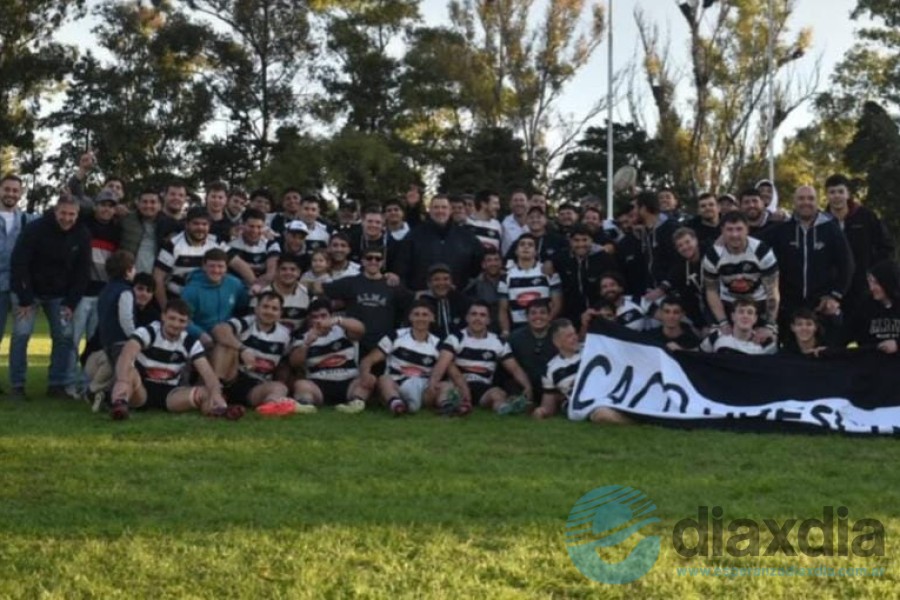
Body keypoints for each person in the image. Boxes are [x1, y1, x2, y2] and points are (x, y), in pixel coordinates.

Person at [10, 196, 91, 399]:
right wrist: (25, 298)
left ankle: (56, 384)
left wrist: (71, 303)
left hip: (60, 295)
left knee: (64, 336)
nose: (67, 218)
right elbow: (19, 263)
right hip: (28, 291)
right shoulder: (35, 229)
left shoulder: (82, 234)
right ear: (55, 212)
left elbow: (82, 272)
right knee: (21, 334)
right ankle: (17, 385)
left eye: (71, 214)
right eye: (63, 213)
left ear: (77, 214)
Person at [109, 299, 236, 420]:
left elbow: (208, 373)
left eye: (181, 321)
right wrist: (122, 382)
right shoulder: (148, 332)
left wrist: (216, 394)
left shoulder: (189, 342)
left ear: (187, 323)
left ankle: (220, 411)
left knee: (206, 391)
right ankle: (119, 405)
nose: (176, 324)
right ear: (163, 316)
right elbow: (127, 354)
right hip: (140, 389)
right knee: (128, 371)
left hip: (170, 394)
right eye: (172, 318)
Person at [769, 185, 853, 347]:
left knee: (824, 354)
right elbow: (753, 241)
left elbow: (847, 264)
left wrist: (836, 295)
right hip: (789, 306)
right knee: (790, 355)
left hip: (821, 305)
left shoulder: (831, 228)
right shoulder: (783, 229)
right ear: (794, 202)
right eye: (801, 198)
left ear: (817, 201)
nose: (805, 202)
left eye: (810, 198)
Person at [431, 302, 534, 415]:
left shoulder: (498, 342)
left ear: (489, 320)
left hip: (483, 388)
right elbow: (442, 364)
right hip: (458, 384)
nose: (477, 318)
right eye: (474, 314)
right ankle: (449, 407)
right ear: (467, 318)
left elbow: (514, 368)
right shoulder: (455, 337)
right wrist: (433, 384)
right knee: (446, 388)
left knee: (498, 394)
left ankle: (505, 409)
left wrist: (527, 387)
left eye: (482, 315)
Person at [357, 300, 456, 416]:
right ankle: (397, 406)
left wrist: (464, 394)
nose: (420, 318)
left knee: (447, 385)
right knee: (384, 379)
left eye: (425, 315)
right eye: (416, 314)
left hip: (423, 389)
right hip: (397, 386)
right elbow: (369, 359)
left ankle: (447, 408)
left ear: (432, 318)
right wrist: (365, 374)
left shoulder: (438, 344)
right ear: (410, 317)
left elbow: (453, 372)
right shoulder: (395, 336)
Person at [825, 173, 894, 320]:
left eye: (840, 191)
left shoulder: (866, 216)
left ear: (848, 193)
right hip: (834, 290)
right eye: (832, 192)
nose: (836, 196)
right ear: (826, 195)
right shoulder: (821, 222)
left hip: (863, 287)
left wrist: (874, 275)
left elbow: (885, 246)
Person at [210, 291, 295, 409]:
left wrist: (281, 380)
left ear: (280, 314)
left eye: (274, 309)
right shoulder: (246, 323)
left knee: (280, 388)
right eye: (265, 307)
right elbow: (218, 330)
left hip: (257, 385)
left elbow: (284, 364)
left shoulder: (285, 335)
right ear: (256, 309)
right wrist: (242, 348)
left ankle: (269, 407)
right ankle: (216, 394)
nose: (269, 311)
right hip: (232, 378)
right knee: (225, 345)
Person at [702, 211, 779, 341]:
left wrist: (769, 325)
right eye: (729, 230)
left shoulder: (762, 251)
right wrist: (723, 322)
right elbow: (711, 291)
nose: (734, 234)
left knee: (766, 341)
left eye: (739, 229)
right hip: (728, 304)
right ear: (722, 231)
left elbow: (772, 290)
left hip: (758, 303)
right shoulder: (712, 256)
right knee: (717, 340)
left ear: (747, 229)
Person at [322, 246, 412, 355]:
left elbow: (410, 305)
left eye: (378, 259)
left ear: (382, 262)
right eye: (369, 258)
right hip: (355, 342)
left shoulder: (392, 285)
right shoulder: (350, 283)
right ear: (363, 261)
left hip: (383, 345)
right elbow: (320, 289)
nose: (373, 261)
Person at [289, 299, 368, 413]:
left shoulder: (342, 330)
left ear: (331, 316)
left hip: (349, 380)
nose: (319, 320)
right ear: (309, 319)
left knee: (367, 379)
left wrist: (338, 320)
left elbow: (361, 329)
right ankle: (306, 404)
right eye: (314, 317)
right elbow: (294, 362)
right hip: (319, 383)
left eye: (323, 316)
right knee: (300, 384)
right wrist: (307, 344)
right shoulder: (303, 337)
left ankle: (356, 402)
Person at [395, 194, 483, 292]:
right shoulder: (414, 236)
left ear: (450, 210)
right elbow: (402, 267)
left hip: (457, 297)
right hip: (423, 297)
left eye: (444, 207)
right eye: (436, 207)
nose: (440, 211)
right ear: (430, 210)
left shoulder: (467, 237)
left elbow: (477, 267)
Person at [0, 174, 36, 386]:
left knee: (21, 336)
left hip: (21, 287)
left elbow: (61, 216)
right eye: (7, 189)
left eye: (15, 190)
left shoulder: (28, 220)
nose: (11, 194)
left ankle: (17, 384)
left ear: (21, 194)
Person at [181, 248, 250, 346]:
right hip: (203, 338)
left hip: (227, 332)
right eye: (212, 266)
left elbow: (243, 306)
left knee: (226, 346)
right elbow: (184, 319)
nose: (216, 270)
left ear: (226, 268)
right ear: (204, 266)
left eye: (220, 266)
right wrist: (200, 334)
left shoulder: (234, 284)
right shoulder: (191, 290)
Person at [552, 224, 617, 324]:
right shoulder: (561, 259)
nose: (580, 244)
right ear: (570, 241)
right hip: (570, 315)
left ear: (591, 240)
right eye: (576, 240)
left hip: (599, 314)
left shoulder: (604, 258)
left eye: (584, 240)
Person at [498, 234, 562, 336]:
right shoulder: (506, 276)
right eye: (522, 244)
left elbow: (557, 304)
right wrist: (506, 331)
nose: (526, 247)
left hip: (546, 329)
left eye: (530, 245)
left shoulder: (549, 273)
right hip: (518, 330)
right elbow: (503, 309)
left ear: (536, 252)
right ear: (516, 251)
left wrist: (543, 323)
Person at [651, 228, 707, 331]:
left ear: (696, 240)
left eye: (687, 242)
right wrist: (701, 325)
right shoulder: (681, 268)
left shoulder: (711, 255)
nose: (685, 247)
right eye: (680, 246)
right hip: (706, 313)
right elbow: (688, 300)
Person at [847, 260, 900, 354]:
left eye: (876, 283)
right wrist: (828, 349)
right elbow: (847, 334)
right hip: (870, 363)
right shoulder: (864, 306)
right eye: (870, 282)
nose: (871, 288)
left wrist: (897, 344)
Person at [508, 299, 558, 398]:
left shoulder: (559, 334)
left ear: (549, 316)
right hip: (525, 383)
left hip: (553, 384)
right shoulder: (515, 338)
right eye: (533, 313)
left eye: (542, 313)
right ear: (527, 317)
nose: (538, 316)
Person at [119, 189, 175, 274]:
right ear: (138, 204)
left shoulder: (169, 225)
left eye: (153, 202)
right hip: (127, 274)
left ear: (160, 206)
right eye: (144, 202)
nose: (148, 205)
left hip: (155, 277)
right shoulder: (126, 219)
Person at [535, 319, 582, 419]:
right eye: (569, 336)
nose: (575, 338)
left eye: (574, 334)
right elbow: (548, 405)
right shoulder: (551, 369)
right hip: (578, 405)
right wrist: (541, 411)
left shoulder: (590, 351)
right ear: (557, 342)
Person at [634, 191, 679, 289]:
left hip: (671, 293)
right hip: (653, 291)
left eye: (636, 207)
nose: (633, 212)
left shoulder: (670, 227)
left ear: (644, 209)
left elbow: (679, 261)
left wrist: (665, 287)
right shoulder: (645, 231)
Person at [700, 299, 777, 354]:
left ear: (755, 318)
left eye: (750, 313)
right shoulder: (716, 336)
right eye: (741, 312)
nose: (745, 316)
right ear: (733, 316)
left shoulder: (765, 342)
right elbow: (700, 357)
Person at [580, 272, 646, 336]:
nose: (609, 289)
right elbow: (583, 340)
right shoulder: (596, 309)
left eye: (612, 285)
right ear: (600, 292)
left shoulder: (638, 301)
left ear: (621, 288)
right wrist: (585, 324)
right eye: (604, 287)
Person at [255, 255, 310, 332]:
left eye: (293, 269)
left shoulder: (308, 294)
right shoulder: (262, 293)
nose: (288, 272)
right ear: (277, 271)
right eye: (283, 269)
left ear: (299, 272)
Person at [420, 263, 471, 339]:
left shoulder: (463, 302)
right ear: (429, 283)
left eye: (446, 279)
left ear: (451, 282)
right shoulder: (422, 304)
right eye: (436, 279)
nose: (441, 283)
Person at [227, 208, 278, 284]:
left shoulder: (271, 244)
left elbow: (271, 273)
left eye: (259, 227)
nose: (255, 231)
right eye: (251, 226)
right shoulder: (231, 244)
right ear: (243, 225)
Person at [464, 247, 504, 331]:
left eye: (496, 260)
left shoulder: (510, 279)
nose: (493, 263)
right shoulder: (474, 285)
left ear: (501, 263)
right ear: (483, 264)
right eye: (489, 260)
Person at [500, 189, 529, 255]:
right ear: (510, 204)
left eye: (522, 200)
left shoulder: (534, 223)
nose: (518, 203)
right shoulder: (503, 223)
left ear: (528, 203)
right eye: (515, 200)